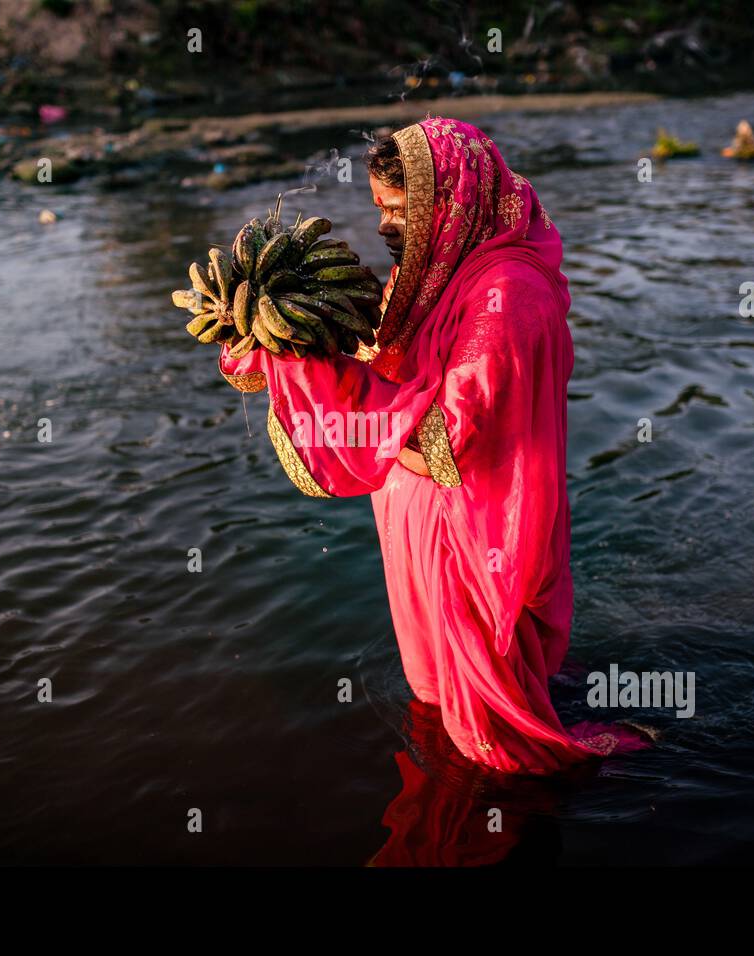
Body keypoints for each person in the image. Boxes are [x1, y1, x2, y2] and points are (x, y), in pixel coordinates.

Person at [217, 117, 652, 774]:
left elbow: (451, 437)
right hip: (415, 512)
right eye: (379, 210)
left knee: (489, 737)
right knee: (441, 694)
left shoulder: (507, 295)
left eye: (398, 211)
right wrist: (271, 332)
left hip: (471, 522)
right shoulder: (428, 270)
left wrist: (328, 385)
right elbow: (366, 352)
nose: (385, 228)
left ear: (451, 201)